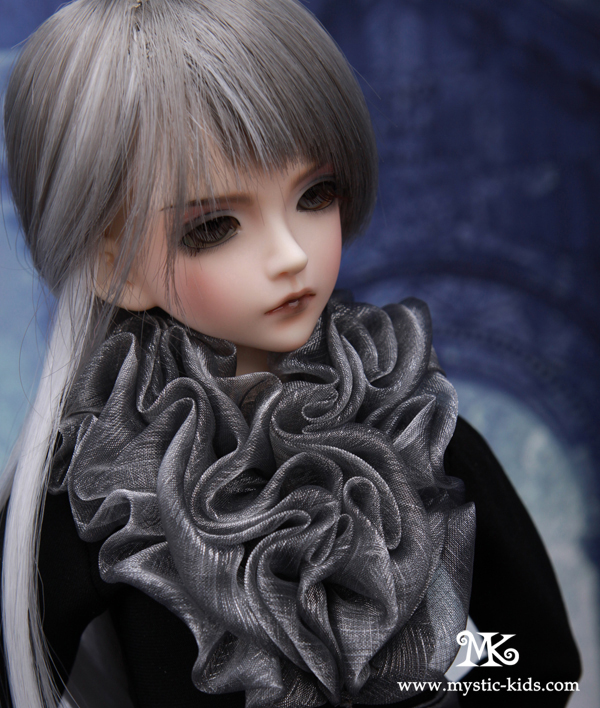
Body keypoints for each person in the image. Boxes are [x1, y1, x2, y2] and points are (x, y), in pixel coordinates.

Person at [0, 1, 580, 707]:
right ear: (109, 260)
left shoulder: (413, 429)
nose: (290, 255)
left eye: (315, 194)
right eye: (214, 226)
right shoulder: (104, 487)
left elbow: (542, 660)